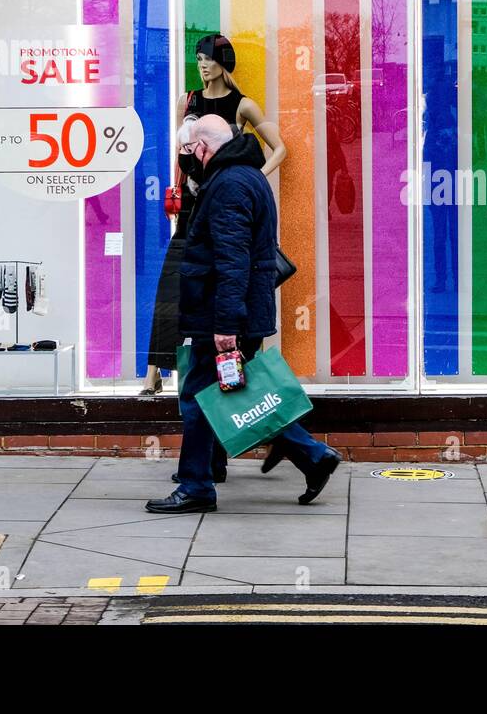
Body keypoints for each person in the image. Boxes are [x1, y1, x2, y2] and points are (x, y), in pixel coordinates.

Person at [146, 115, 340, 514]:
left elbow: (232, 262)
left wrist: (225, 327)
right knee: (240, 394)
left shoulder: (230, 185)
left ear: (202, 147)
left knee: (199, 397)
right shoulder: (242, 176)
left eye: (187, 151)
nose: (186, 159)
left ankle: (196, 485)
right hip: (231, 312)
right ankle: (312, 456)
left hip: (221, 316)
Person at [140, 33, 288, 395]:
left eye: (207, 58)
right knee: (172, 286)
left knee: (241, 280)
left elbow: (280, 148)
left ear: (223, 62)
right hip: (193, 207)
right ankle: (154, 372)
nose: (202, 65)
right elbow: (181, 151)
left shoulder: (242, 105)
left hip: (229, 206)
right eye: (198, 58)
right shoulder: (187, 100)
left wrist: (250, 177)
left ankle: (253, 372)